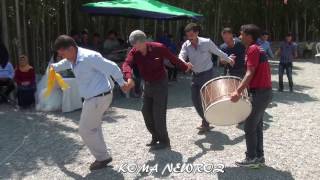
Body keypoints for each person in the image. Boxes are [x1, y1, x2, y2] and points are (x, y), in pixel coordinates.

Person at [51, 35, 130, 170]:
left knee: (85, 130)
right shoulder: (72, 58)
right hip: (95, 97)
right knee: (94, 127)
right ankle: (103, 154)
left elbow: (111, 67)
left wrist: (122, 83)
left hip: (98, 98)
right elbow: (65, 64)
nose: (62, 57)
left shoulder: (90, 57)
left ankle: (102, 157)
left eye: (63, 53)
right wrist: (54, 67)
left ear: (71, 48)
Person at [122, 30, 192, 150]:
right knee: (145, 111)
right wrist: (128, 77)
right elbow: (126, 64)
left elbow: (172, 58)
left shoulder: (158, 48)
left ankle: (165, 141)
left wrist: (185, 67)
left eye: (135, 44)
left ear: (143, 42)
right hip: (147, 84)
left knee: (158, 113)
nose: (133, 47)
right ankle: (155, 136)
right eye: (132, 44)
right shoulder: (134, 52)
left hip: (160, 83)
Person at [178, 23, 235, 134]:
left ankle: (205, 123)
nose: (190, 37)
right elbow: (180, 56)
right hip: (195, 75)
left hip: (207, 73)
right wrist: (185, 63)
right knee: (195, 99)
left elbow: (218, 52)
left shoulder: (206, 42)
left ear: (197, 33)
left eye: (192, 34)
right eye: (188, 35)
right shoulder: (186, 44)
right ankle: (207, 119)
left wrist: (229, 59)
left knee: (205, 98)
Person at [230, 24, 272, 168]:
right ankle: (259, 157)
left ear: (249, 36)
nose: (239, 36)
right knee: (257, 126)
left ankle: (251, 158)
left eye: (241, 34)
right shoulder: (256, 48)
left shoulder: (253, 49)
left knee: (248, 127)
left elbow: (250, 72)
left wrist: (238, 91)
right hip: (263, 92)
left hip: (260, 93)